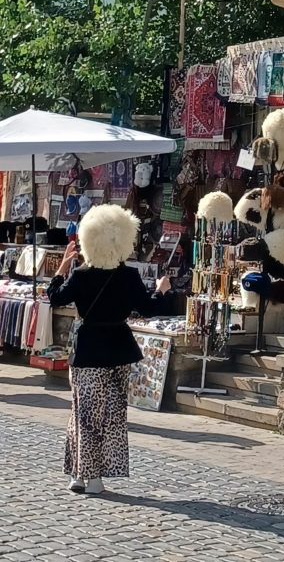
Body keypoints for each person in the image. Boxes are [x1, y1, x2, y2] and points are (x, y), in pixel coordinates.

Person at [47, 204, 172, 495]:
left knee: (84, 413)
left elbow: (53, 298)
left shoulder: (80, 275)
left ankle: (82, 475)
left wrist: (64, 266)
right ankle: (92, 476)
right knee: (111, 415)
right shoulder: (127, 276)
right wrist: (162, 290)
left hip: (88, 349)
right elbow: (150, 308)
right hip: (118, 349)